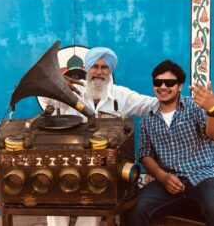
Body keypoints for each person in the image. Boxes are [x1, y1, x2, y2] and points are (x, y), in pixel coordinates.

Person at [40, 47, 157, 226]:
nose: (99, 72)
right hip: (67, 160)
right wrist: (56, 83)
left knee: (98, 191)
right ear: (87, 68)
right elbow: (43, 94)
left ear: (110, 71)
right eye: (94, 66)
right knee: (55, 196)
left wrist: (191, 103)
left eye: (104, 67)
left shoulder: (121, 95)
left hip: (101, 166)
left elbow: (152, 105)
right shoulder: (68, 89)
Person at [122, 59, 214, 226]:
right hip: (167, 183)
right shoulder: (148, 119)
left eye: (170, 83)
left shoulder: (195, 107)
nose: (163, 87)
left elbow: (212, 135)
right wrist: (162, 177)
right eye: (158, 82)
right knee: (132, 212)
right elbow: (144, 154)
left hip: (203, 177)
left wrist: (212, 110)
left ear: (179, 86)